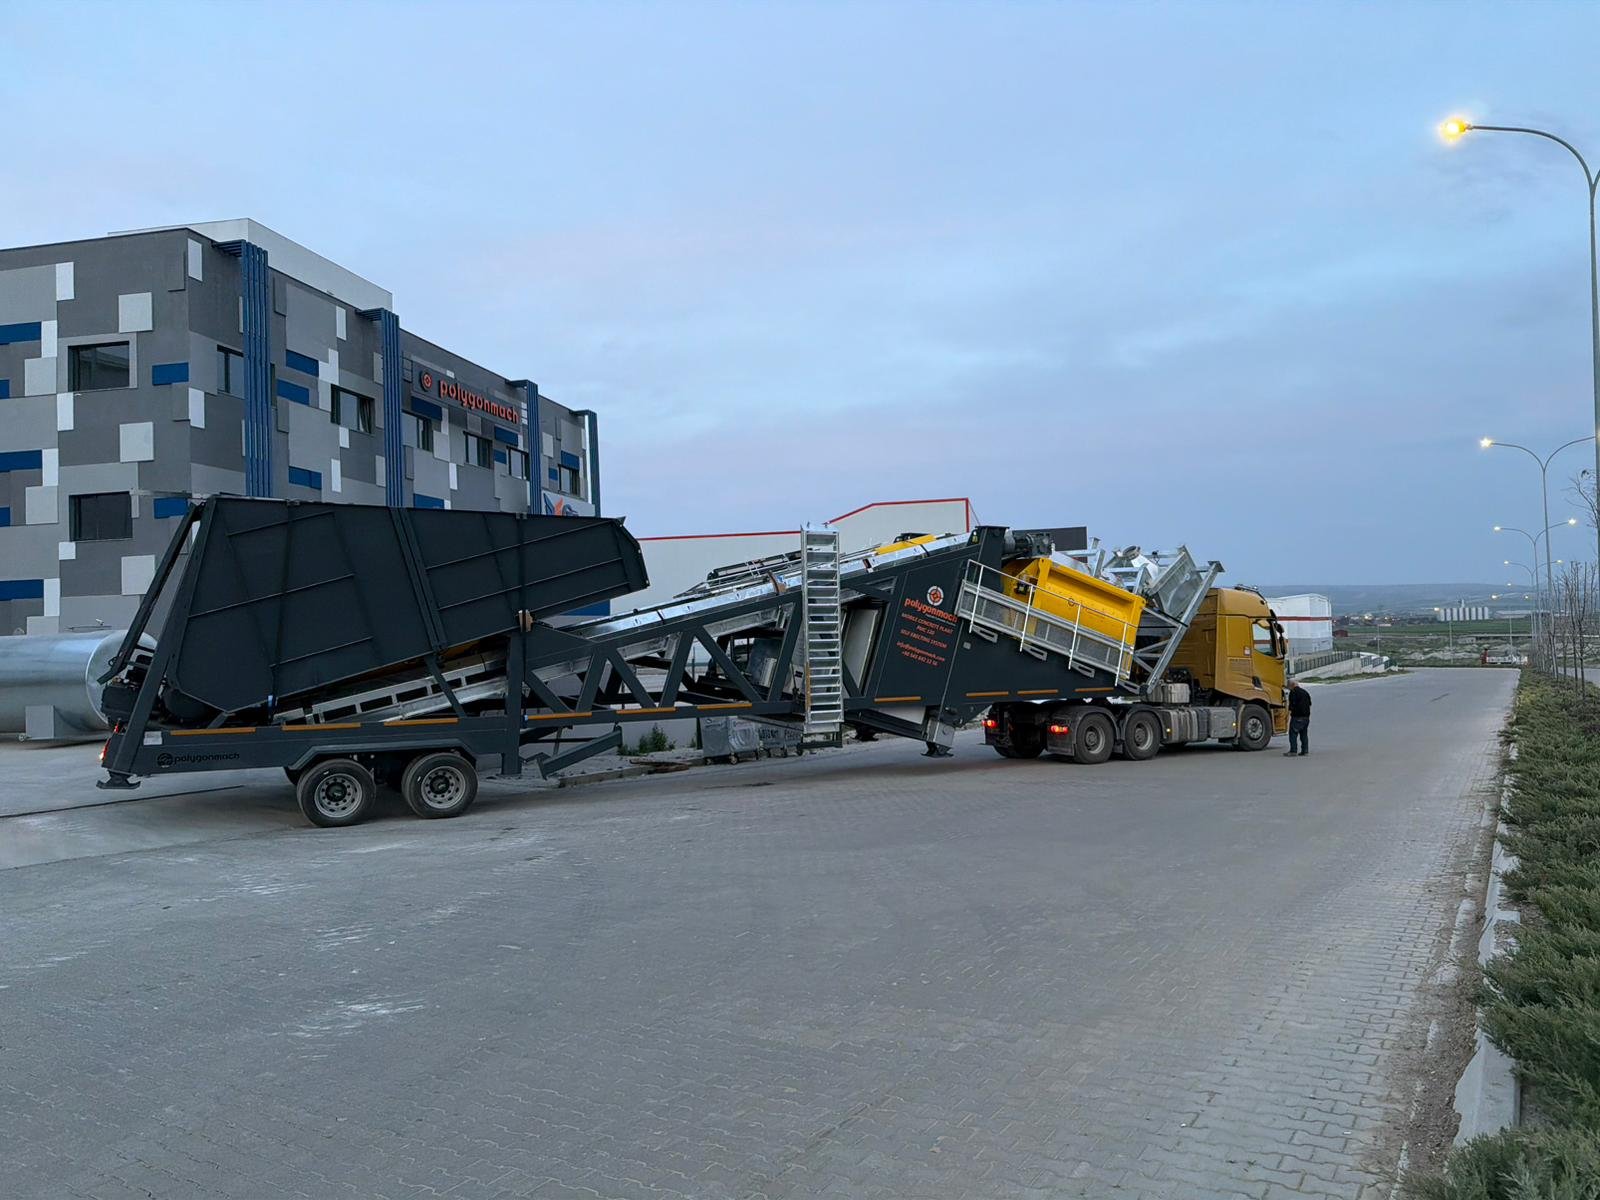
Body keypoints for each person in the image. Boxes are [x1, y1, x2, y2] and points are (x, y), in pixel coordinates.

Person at [1284, 680, 1312, 756]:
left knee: (1293, 733)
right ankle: (1305, 751)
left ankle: (1293, 751)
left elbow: (1291, 706)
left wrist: (1287, 716)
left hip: (1297, 717)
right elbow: (1309, 704)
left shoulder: (1293, 693)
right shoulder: (1305, 692)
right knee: (1304, 734)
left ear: (1292, 685)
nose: (1289, 688)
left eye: (1289, 686)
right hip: (1306, 717)